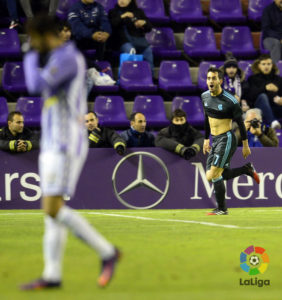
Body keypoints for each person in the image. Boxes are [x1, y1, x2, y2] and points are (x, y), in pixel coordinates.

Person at [21, 15, 119, 290]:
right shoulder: (57, 58)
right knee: (52, 212)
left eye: (34, 38)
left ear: (44, 36)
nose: (32, 43)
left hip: (65, 143)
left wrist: (28, 55)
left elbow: (35, 85)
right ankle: (52, 275)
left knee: (52, 207)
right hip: (53, 140)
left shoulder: (67, 58)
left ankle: (107, 251)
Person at [201, 67, 260, 216]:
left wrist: (245, 145)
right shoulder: (205, 97)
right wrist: (206, 139)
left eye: (213, 78)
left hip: (226, 138)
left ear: (220, 81)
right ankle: (246, 170)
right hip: (214, 140)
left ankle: (222, 209)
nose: (210, 81)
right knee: (218, 174)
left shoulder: (231, 100)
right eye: (208, 78)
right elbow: (207, 119)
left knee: (212, 175)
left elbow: (240, 123)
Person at [108, 0, 154, 72]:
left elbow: (149, 28)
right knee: (130, 50)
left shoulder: (138, 11)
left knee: (148, 51)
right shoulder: (113, 12)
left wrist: (144, 23)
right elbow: (111, 25)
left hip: (139, 40)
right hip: (122, 41)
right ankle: (129, 76)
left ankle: (149, 77)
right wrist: (123, 16)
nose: (122, 1)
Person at [242, 54, 282, 129]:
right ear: (259, 66)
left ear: (272, 65)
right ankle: (273, 122)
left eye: (268, 64)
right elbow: (250, 96)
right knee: (263, 96)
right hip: (259, 109)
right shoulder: (253, 79)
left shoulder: (278, 79)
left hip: (275, 108)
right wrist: (265, 88)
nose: (266, 66)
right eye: (263, 64)